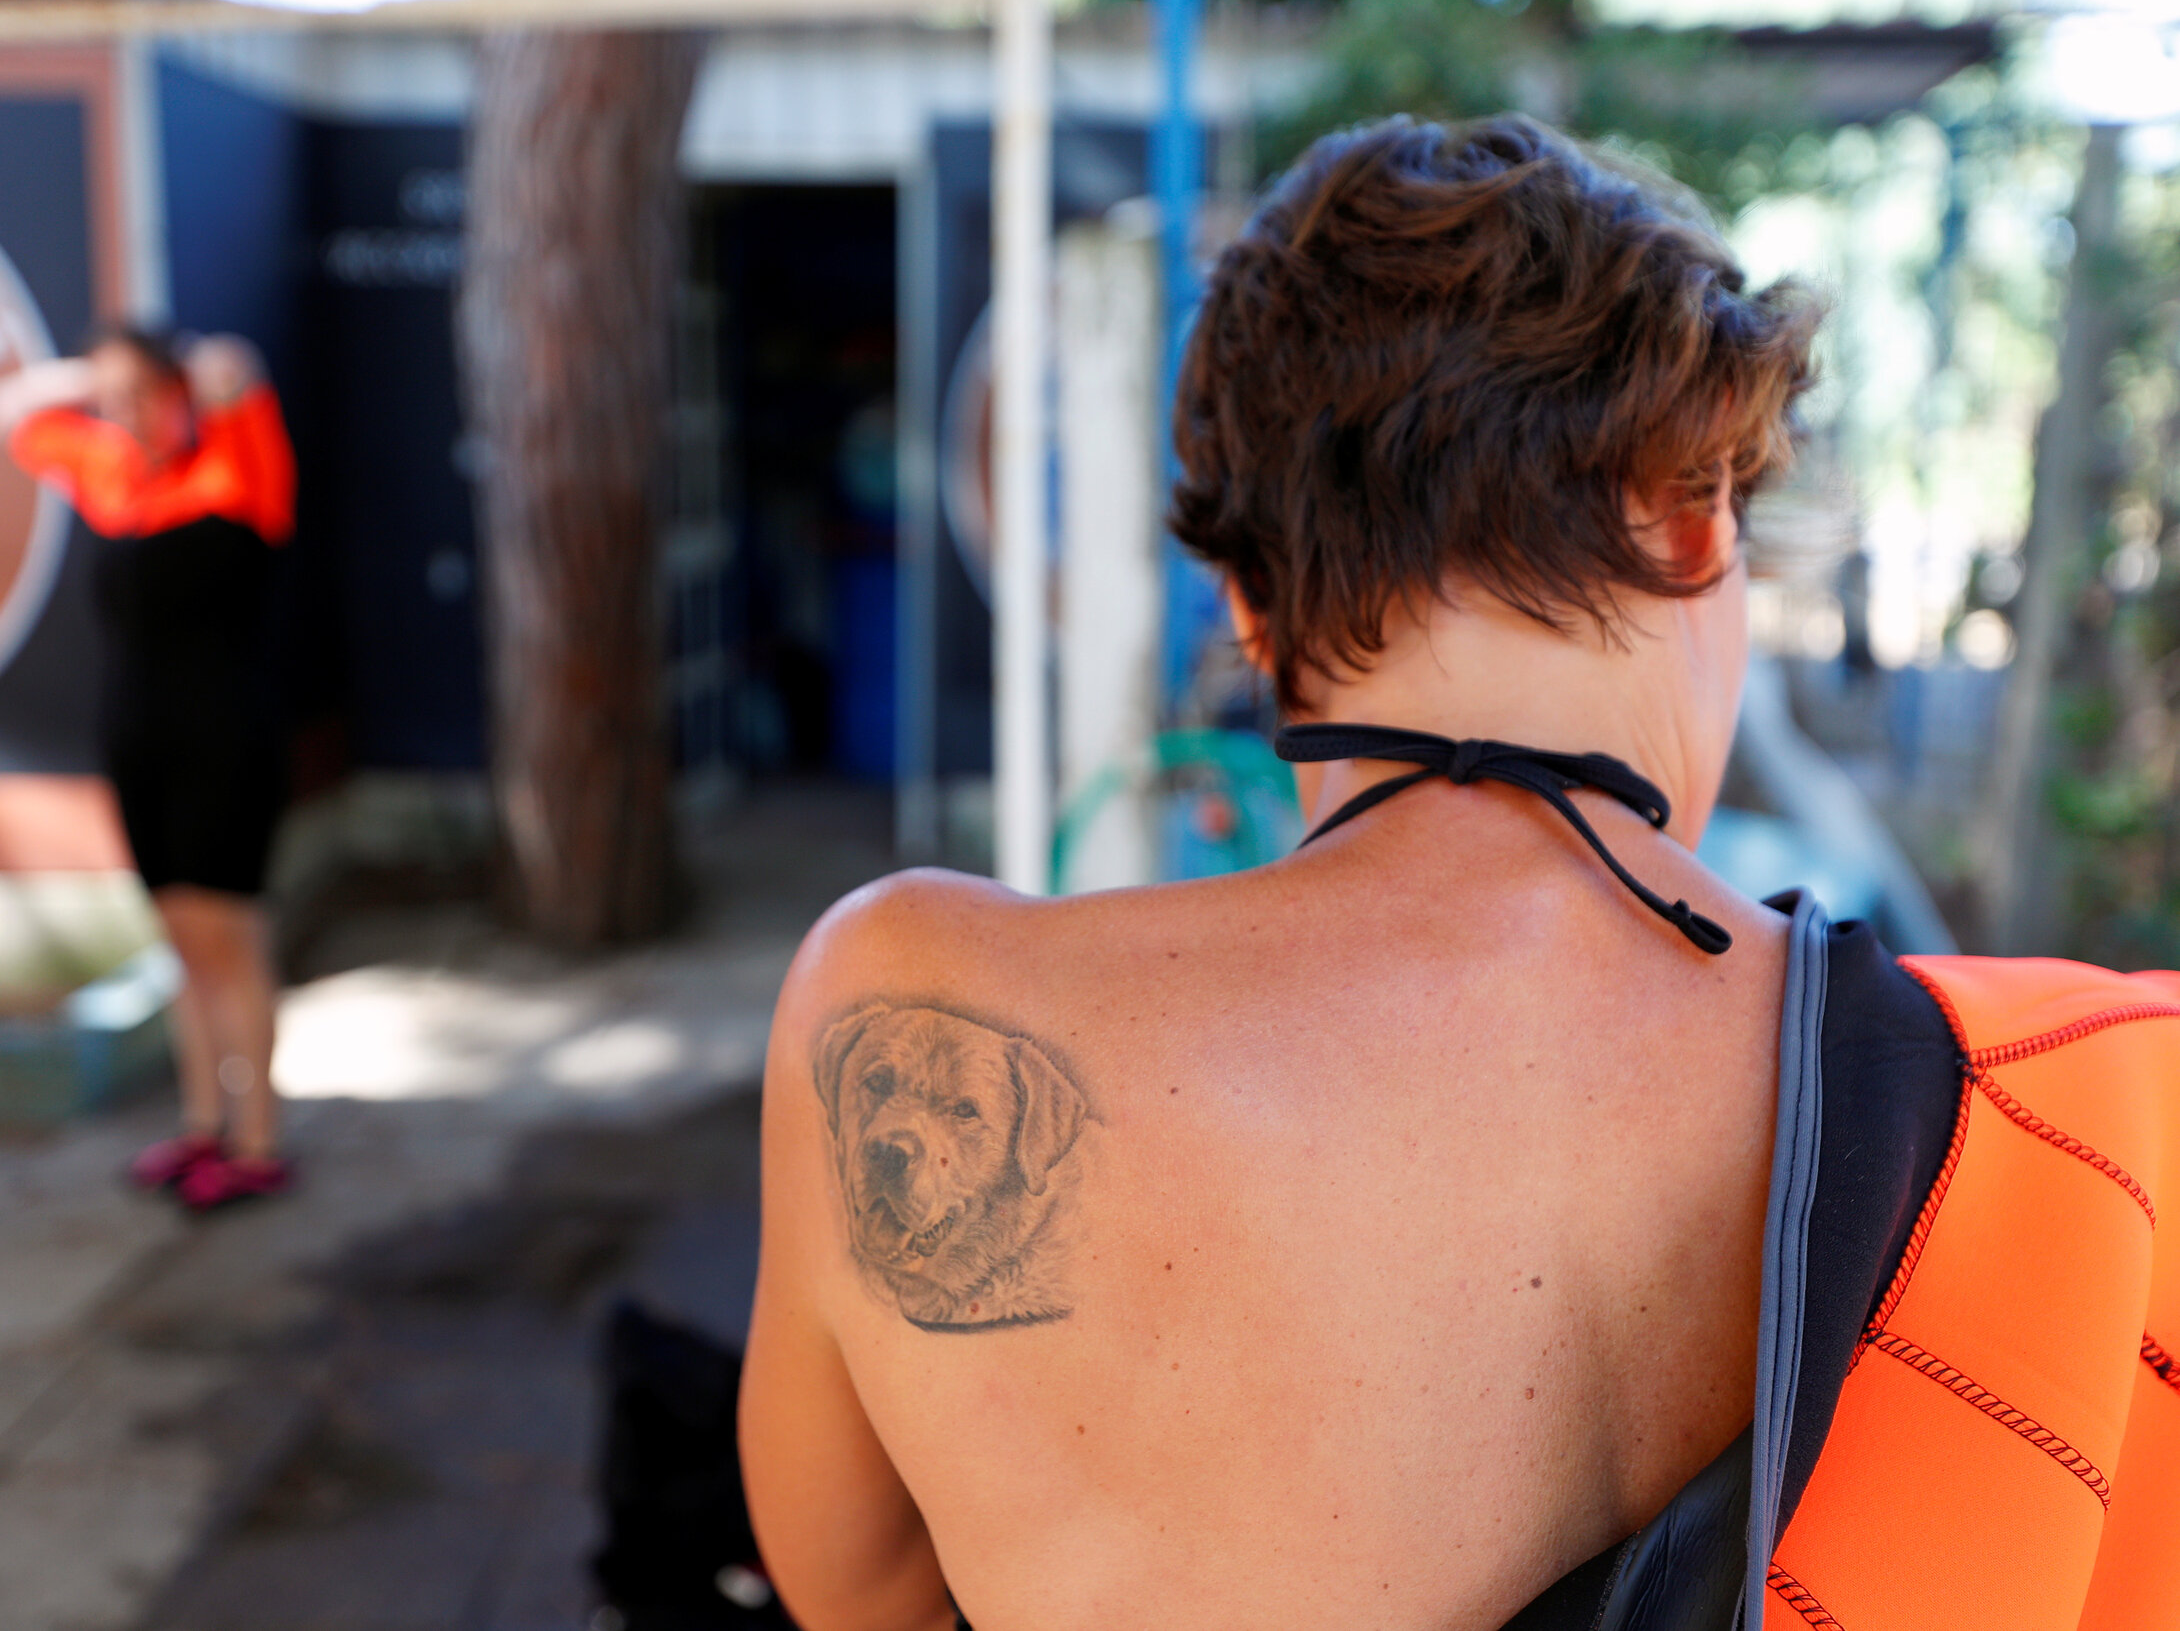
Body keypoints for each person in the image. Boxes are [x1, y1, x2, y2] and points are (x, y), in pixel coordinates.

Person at [740, 116, 2180, 1630]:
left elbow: (861, 1588)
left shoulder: (900, 1004)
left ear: (1246, 606)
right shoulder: (2094, 1108)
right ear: (1695, 525)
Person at [0, 327, 294, 1213]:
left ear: (176, 389)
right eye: (112, 398)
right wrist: (102, 377)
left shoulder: (240, 462)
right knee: (178, 937)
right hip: (139, 735)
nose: (126, 411)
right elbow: (9, 409)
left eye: (142, 392)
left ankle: (258, 1136)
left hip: (224, 733)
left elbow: (237, 366)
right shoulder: (113, 472)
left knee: (226, 932)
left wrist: (184, 372)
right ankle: (203, 1123)